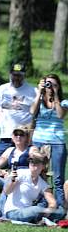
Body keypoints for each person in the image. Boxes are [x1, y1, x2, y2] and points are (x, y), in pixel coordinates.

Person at [30, 74, 68, 206]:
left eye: (54, 85)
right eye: (48, 84)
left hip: (57, 142)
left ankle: (60, 209)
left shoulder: (63, 102)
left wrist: (56, 95)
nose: (50, 87)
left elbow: (60, 114)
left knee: (58, 179)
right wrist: (39, 93)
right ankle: (39, 205)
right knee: (38, 175)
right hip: (39, 141)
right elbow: (32, 111)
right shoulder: (39, 100)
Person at [0, 125, 35, 218]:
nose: (18, 137)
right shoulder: (10, 150)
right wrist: (0, 171)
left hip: (25, 182)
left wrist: (15, 175)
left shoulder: (31, 150)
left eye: (21, 134)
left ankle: (2, 210)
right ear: (12, 136)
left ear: (26, 137)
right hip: (10, 179)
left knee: (10, 179)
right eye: (16, 134)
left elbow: (37, 167)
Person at [0, 62, 36, 159]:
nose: (16, 78)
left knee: (23, 165)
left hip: (24, 137)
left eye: (19, 75)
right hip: (6, 136)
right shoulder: (2, 89)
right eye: (14, 75)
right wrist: (1, 123)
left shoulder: (33, 91)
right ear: (10, 74)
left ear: (24, 75)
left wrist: (30, 132)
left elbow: (36, 114)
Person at [3, 152, 65, 223]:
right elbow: (7, 191)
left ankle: (38, 218)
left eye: (37, 162)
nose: (33, 163)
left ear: (43, 166)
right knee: (35, 210)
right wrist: (12, 181)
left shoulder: (42, 183)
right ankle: (39, 218)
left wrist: (49, 210)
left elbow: (52, 202)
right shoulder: (20, 173)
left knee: (60, 211)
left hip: (29, 211)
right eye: (31, 161)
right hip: (13, 212)